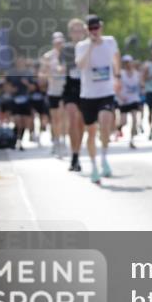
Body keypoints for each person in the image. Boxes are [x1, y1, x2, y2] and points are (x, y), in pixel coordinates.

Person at [75, 15, 121, 184]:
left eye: (97, 27)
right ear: (87, 30)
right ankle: (94, 166)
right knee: (91, 132)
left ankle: (104, 159)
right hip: (88, 94)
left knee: (105, 123)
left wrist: (118, 76)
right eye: (91, 29)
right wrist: (90, 47)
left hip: (106, 92)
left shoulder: (110, 41)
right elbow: (80, 65)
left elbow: (116, 58)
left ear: (101, 27)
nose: (95, 31)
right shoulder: (82, 46)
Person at [61, 19, 87, 171]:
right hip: (71, 87)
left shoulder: (88, 46)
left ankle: (77, 153)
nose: (77, 34)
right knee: (72, 118)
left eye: (80, 31)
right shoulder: (66, 48)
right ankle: (74, 154)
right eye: (74, 31)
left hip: (86, 87)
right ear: (70, 33)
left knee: (81, 123)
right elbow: (60, 64)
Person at [41, 33, 68, 156]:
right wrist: (46, 74)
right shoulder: (48, 56)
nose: (59, 45)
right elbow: (42, 73)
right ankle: (56, 141)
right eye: (57, 42)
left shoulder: (68, 55)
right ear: (53, 43)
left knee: (63, 117)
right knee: (55, 119)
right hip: (53, 91)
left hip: (65, 90)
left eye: (61, 42)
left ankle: (63, 141)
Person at [117, 55, 142, 149]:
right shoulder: (121, 74)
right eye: (125, 62)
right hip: (124, 100)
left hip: (134, 99)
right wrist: (120, 96)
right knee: (124, 122)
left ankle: (132, 140)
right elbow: (116, 87)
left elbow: (140, 84)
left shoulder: (136, 73)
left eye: (129, 62)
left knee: (135, 119)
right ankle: (118, 128)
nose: (128, 64)